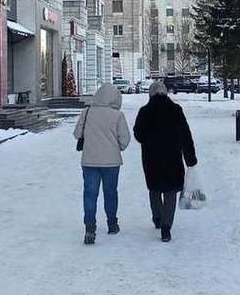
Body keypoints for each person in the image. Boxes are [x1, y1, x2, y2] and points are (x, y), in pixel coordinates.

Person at [132, 81, 197, 243]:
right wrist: (190, 158)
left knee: (154, 189)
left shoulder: (145, 111)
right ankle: (166, 226)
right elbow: (185, 135)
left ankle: (157, 218)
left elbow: (138, 134)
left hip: (151, 158)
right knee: (170, 191)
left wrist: (150, 138)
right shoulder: (175, 110)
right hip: (172, 157)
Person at [74, 82, 131, 245]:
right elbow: (125, 139)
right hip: (111, 162)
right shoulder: (117, 115)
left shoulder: (87, 112)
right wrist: (116, 147)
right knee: (110, 193)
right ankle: (112, 223)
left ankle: (90, 228)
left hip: (89, 160)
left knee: (90, 194)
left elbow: (77, 133)